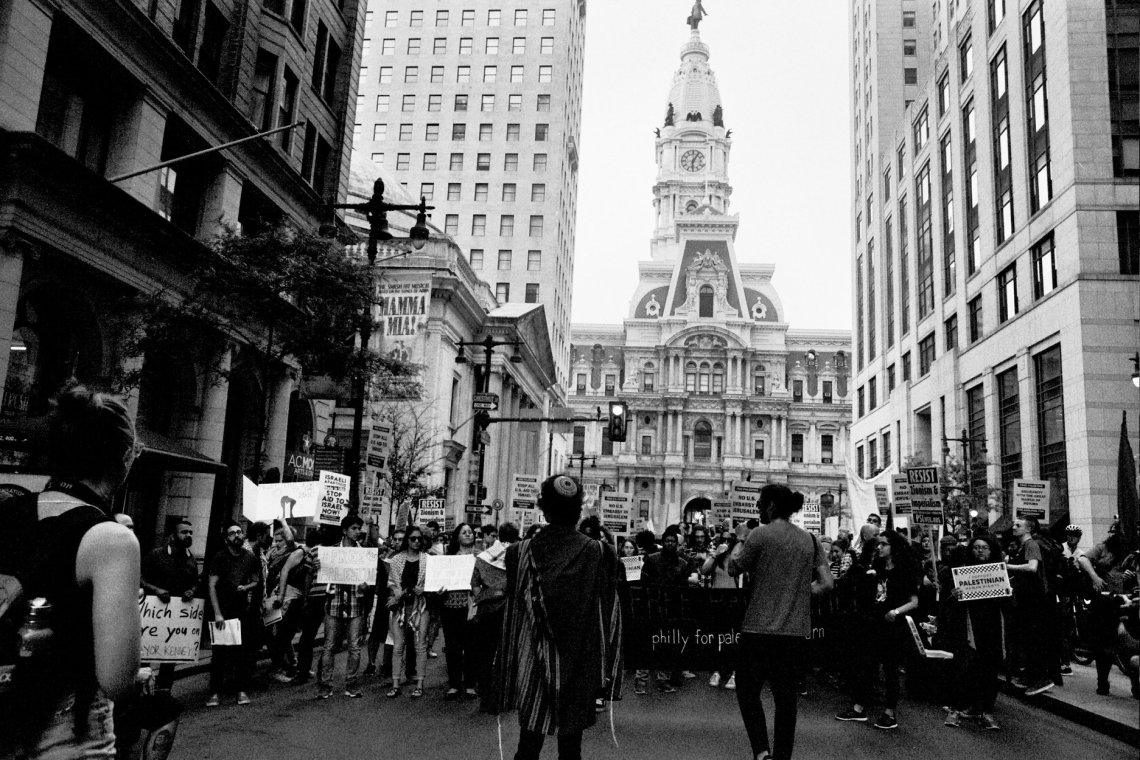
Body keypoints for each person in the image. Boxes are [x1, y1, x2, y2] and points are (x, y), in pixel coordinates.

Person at [0, 385, 141, 758]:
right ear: (125, 457)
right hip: (64, 732)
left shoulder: (5, 514)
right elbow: (117, 679)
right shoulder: (111, 540)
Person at [492, 475, 622, 760]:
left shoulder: (518, 553)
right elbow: (609, 612)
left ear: (544, 510)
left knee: (528, 745)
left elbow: (512, 609)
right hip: (579, 664)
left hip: (534, 662)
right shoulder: (600, 553)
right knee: (570, 748)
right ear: (578, 511)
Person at [728, 486, 832, 760]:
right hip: (794, 633)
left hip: (758, 630)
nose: (758, 509)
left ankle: (762, 751)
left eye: (760, 504)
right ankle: (783, 756)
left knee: (747, 692)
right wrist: (799, 590)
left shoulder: (759, 534)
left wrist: (739, 538)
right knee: (786, 699)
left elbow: (733, 567)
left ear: (772, 505)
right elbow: (827, 583)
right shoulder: (810, 539)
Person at [835, 529, 920, 730]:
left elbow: (914, 601)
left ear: (894, 547)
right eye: (878, 544)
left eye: (884, 544)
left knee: (890, 669)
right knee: (866, 665)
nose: (879, 547)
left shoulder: (905, 570)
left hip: (893, 625)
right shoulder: (878, 565)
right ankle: (858, 708)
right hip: (874, 622)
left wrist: (896, 612)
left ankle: (889, 712)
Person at [941, 536, 1006, 731]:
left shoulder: (998, 572)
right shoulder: (960, 572)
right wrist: (954, 595)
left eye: (985, 548)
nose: (980, 551)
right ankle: (956, 709)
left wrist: (1006, 592)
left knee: (989, 671)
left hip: (991, 628)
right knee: (964, 669)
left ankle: (986, 711)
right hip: (968, 627)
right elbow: (947, 602)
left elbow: (1008, 605)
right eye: (976, 547)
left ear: (991, 550)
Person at [140, 519, 199, 694]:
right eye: (184, 532)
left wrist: (192, 591)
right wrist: (156, 589)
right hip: (154, 616)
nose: (188, 535)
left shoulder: (191, 560)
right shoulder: (155, 555)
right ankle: (143, 691)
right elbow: (140, 578)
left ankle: (163, 691)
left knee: (170, 656)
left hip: (176, 617)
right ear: (172, 536)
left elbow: (196, 582)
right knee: (146, 655)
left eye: (190, 532)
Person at [316, 513, 370, 699]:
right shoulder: (331, 552)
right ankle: (325, 685)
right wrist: (320, 566)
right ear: (345, 530)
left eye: (359, 529)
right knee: (329, 646)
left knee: (355, 646)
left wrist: (365, 585)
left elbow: (368, 581)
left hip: (355, 603)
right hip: (335, 602)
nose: (357, 532)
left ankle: (351, 684)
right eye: (354, 529)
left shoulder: (364, 553)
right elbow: (322, 574)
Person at [206, 520, 259, 707]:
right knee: (219, 653)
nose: (237, 535)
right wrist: (217, 613)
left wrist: (247, 587)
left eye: (239, 532)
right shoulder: (219, 557)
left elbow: (256, 580)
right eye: (232, 533)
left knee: (241, 652)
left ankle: (240, 690)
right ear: (226, 539)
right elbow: (212, 586)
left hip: (241, 609)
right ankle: (214, 692)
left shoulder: (249, 557)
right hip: (223, 608)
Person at [1006, 516, 1056, 696]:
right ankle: (1031, 676)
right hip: (1028, 600)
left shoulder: (1031, 545)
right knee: (1027, 639)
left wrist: (1008, 566)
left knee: (1034, 640)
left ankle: (1041, 678)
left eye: (1018, 525)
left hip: (1034, 601)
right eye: (1014, 524)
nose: (1014, 527)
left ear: (1028, 529)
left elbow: (1032, 567)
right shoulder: (1024, 546)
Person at [472, 522, 519, 711]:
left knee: (485, 651)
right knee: (506, 652)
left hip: (487, 610)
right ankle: (504, 694)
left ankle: (485, 692)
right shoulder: (517, 556)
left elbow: (475, 583)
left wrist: (483, 597)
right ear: (516, 536)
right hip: (509, 609)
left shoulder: (483, 557)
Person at [1080, 526, 1130, 695]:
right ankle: (1103, 681)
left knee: (1129, 644)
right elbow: (1083, 559)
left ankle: (1135, 683)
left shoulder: (1132, 549)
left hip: (1129, 599)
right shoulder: (1103, 547)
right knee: (1104, 644)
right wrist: (1095, 577)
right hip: (1107, 601)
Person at [641, 529, 691, 693]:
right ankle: (641, 681)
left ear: (677, 544)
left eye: (673, 541)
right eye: (667, 541)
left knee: (668, 644)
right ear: (663, 543)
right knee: (650, 644)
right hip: (655, 607)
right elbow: (644, 583)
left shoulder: (682, 564)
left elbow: (685, 588)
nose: (670, 543)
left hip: (673, 609)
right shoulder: (652, 560)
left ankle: (664, 679)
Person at [387, 526, 429, 698]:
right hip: (400, 607)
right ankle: (395, 684)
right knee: (397, 647)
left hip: (420, 607)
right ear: (407, 541)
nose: (417, 541)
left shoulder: (427, 559)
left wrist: (424, 589)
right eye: (413, 538)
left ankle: (419, 684)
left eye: (419, 538)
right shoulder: (397, 559)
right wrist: (397, 593)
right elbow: (391, 582)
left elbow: (432, 582)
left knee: (420, 646)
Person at [441, 523, 479, 698]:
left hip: (472, 607)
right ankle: (454, 684)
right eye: (464, 532)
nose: (468, 534)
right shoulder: (449, 558)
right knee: (452, 646)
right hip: (451, 606)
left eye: (470, 532)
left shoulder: (480, 557)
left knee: (472, 645)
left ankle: (470, 684)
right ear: (457, 537)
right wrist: (439, 589)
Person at [266, 524, 306, 683]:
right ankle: (284, 665)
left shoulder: (293, 552)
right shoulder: (273, 554)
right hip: (271, 595)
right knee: (276, 634)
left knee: (282, 633)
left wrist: (282, 519)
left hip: (284, 597)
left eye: (280, 540)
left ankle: (284, 666)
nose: (277, 543)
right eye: (275, 540)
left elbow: (290, 539)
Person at [290, 529, 326, 686]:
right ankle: (309, 671)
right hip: (323, 598)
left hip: (325, 598)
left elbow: (308, 576)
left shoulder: (315, 551)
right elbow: (308, 575)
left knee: (315, 639)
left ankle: (312, 672)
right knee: (311, 638)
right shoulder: (319, 551)